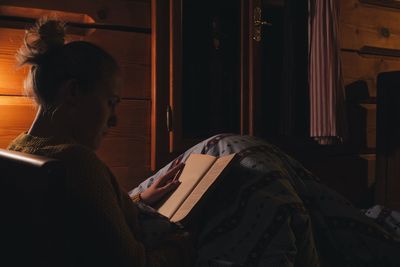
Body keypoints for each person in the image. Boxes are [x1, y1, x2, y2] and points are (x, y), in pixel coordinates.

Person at [7, 18, 192, 266]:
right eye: (111, 103)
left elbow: (81, 217)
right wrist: (182, 247)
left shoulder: (18, 148)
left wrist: (140, 200)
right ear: (73, 92)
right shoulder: (78, 163)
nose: (114, 120)